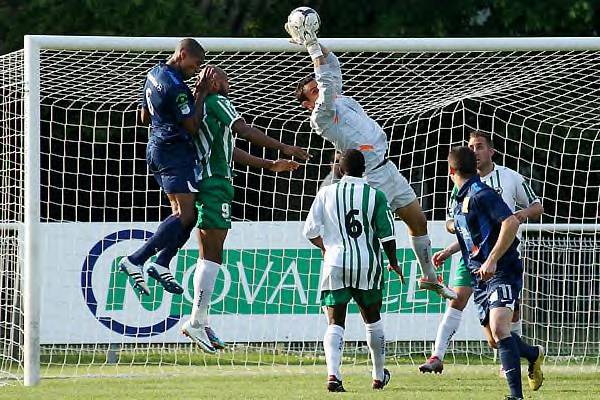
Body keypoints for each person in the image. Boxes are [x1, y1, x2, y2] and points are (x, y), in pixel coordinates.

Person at [286, 19, 456, 300]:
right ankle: (352, 282)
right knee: (368, 236)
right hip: (370, 179)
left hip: (387, 168)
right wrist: (312, 47)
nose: (319, 90)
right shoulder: (321, 116)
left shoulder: (341, 100)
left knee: (418, 221)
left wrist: (314, 42)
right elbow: (327, 83)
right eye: (312, 91)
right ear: (306, 103)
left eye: (317, 87)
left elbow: (332, 69)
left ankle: (429, 278)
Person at [180, 66, 310, 353]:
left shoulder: (201, 108)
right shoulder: (218, 102)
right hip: (215, 184)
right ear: (213, 81)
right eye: (224, 78)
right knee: (213, 253)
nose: (229, 83)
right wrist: (283, 147)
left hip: (206, 181)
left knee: (209, 253)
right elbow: (244, 129)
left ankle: (201, 319)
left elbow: (229, 149)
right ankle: (195, 320)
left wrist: (269, 165)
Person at [420, 131, 544, 374]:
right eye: (470, 147)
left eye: (479, 147)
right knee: (461, 302)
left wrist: (520, 215)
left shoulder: (509, 177)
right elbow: (450, 221)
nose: (474, 152)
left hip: (502, 257)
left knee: (507, 320)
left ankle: (511, 363)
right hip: (471, 256)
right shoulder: (461, 184)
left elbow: (537, 205)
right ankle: (437, 355)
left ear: (491, 151)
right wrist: (453, 239)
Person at [444, 146, 544, 400]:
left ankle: (515, 396)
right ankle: (532, 354)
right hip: (479, 276)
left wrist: (492, 259)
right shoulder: (461, 198)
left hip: (502, 270)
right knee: (495, 340)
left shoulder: (482, 194)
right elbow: (473, 236)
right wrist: (448, 251)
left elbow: (510, 222)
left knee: (501, 327)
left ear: (451, 170)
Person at [304, 149, 404, 392]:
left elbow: (309, 231)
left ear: (340, 168)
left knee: (335, 322)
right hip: (367, 264)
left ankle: (333, 375)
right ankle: (379, 376)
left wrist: (326, 248)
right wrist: (393, 261)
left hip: (335, 262)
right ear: (365, 169)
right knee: (372, 319)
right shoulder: (375, 195)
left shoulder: (326, 193)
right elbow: (387, 235)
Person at [120, 38, 207, 296]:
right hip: (172, 152)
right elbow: (192, 126)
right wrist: (199, 93)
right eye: (196, 63)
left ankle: (161, 263)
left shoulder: (153, 73)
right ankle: (136, 259)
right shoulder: (178, 87)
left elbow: (143, 116)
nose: (197, 69)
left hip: (156, 148)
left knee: (187, 216)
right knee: (185, 214)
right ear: (182, 54)